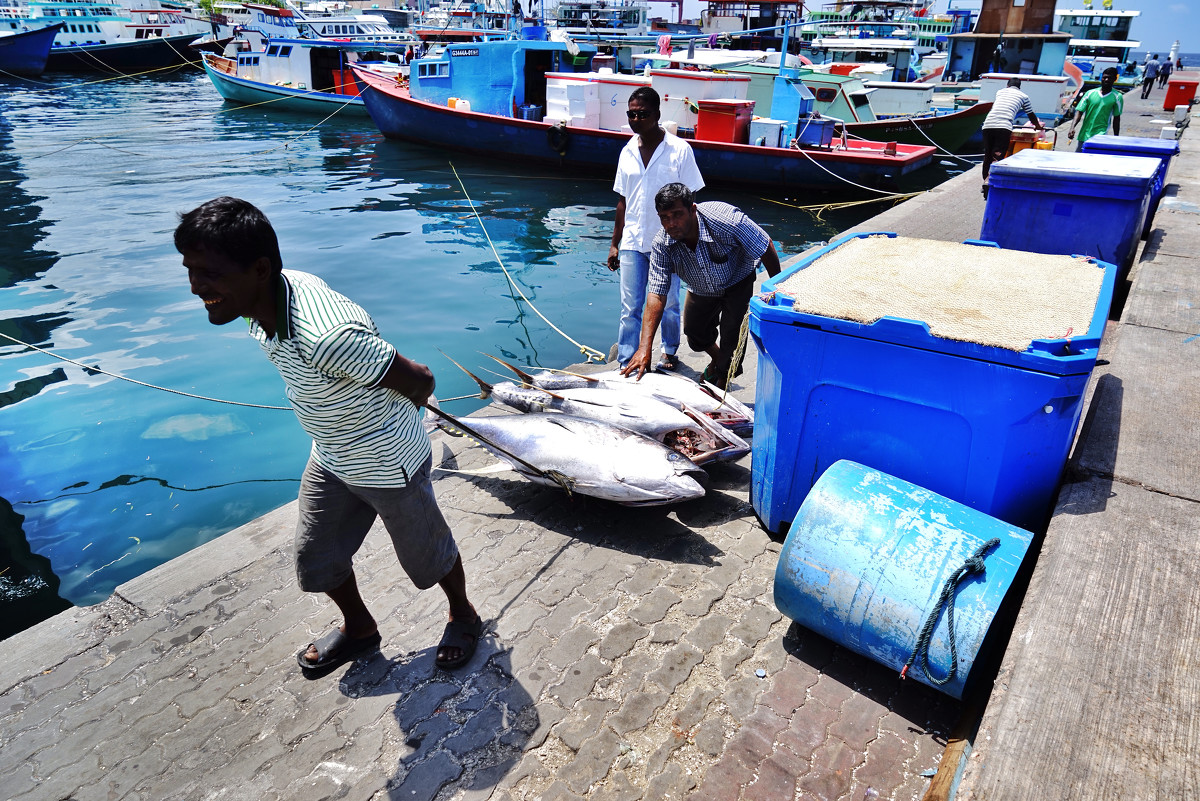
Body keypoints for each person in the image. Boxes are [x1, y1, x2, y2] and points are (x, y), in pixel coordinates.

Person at [174, 197, 481, 675]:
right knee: (316, 557)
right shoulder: (260, 301)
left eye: (208, 274)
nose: (196, 287)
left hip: (387, 462)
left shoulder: (327, 336)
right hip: (331, 454)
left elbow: (420, 380)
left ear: (258, 269)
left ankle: (464, 614)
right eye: (191, 271)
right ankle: (360, 629)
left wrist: (386, 423)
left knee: (428, 556)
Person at [622, 183, 781, 389]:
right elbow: (656, 294)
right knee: (694, 332)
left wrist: (776, 288)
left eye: (677, 215)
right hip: (700, 288)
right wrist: (645, 348)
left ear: (692, 209)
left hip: (737, 280)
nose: (671, 224)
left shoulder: (726, 220)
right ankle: (719, 359)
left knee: (731, 337)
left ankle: (721, 384)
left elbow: (765, 245)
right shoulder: (662, 244)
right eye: (664, 218)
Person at [607, 87, 704, 371]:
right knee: (630, 308)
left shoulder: (680, 150)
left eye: (642, 114)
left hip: (670, 242)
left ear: (657, 115)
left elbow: (691, 200)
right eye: (631, 114)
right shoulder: (627, 151)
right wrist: (615, 243)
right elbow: (622, 201)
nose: (636, 119)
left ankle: (669, 351)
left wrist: (690, 240)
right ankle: (627, 358)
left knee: (671, 303)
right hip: (633, 241)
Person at [980, 77, 1043, 193]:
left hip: (988, 125)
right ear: (1019, 87)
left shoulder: (1000, 92)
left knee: (987, 155)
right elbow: (1031, 115)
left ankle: (985, 182)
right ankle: (989, 180)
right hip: (1004, 126)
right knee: (997, 155)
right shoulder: (1024, 97)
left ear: (1007, 85)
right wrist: (1038, 126)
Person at [1069, 66, 1123, 151]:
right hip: (1084, 134)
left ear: (1114, 79)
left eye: (1109, 78)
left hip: (1101, 135)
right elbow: (1079, 111)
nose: (1106, 80)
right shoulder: (1090, 93)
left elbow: (1116, 118)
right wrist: (1072, 127)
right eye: (1104, 77)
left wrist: (1116, 137)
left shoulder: (1117, 97)